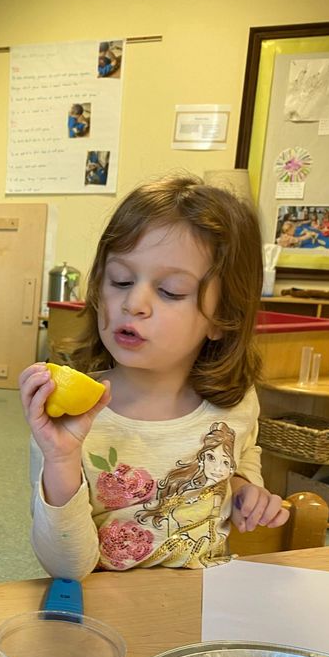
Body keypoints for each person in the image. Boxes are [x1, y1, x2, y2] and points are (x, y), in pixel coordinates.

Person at [19, 175, 288, 575]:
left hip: (200, 611)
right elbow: (66, 567)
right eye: (121, 281)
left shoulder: (236, 400)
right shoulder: (69, 420)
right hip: (104, 614)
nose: (134, 302)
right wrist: (60, 459)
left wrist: (244, 489)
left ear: (223, 318)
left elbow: (243, 452)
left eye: (171, 291)